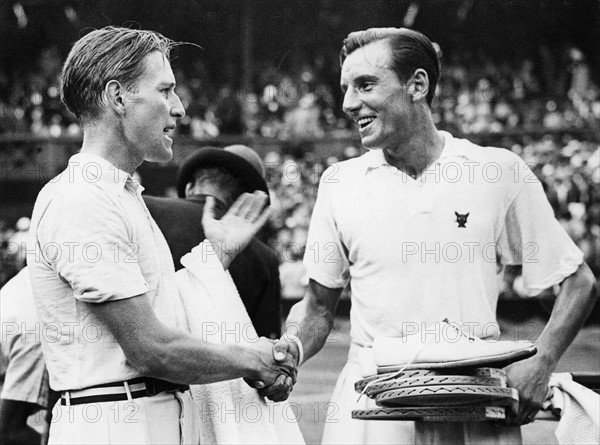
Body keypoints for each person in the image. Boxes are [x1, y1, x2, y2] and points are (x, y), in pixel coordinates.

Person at [273, 27, 597, 444]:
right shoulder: (339, 182)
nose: (349, 103)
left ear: (417, 85)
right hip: (374, 406)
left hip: (475, 403)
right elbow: (318, 309)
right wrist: (290, 352)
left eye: (365, 84)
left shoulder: (496, 170)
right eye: (345, 88)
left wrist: (543, 360)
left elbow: (577, 281)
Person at [27, 26, 294, 444]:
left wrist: (215, 255)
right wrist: (253, 360)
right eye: (165, 90)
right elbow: (149, 347)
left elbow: (158, 308)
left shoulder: (117, 192)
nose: (180, 108)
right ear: (118, 98)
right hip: (116, 425)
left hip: (142, 417)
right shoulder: (84, 197)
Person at [145, 144, 282, 339]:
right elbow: (266, 347)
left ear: (190, 187)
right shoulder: (266, 259)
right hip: (219, 366)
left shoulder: (145, 210)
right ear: (248, 202)